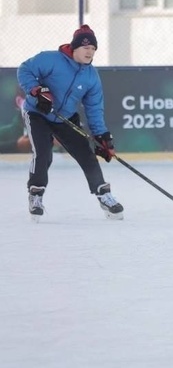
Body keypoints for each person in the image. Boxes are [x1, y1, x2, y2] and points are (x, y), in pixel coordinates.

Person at [17, 24, 124, 221]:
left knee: (86, 154)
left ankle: (103, 194)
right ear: (74, 48)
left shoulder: (91, 76)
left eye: (93, 49)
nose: (89, 52)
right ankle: (36, 195)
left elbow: (94, 108)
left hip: (64, 117)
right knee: (43, 154)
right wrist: (37, 91)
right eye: (85, 48)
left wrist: (102, 136)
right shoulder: (50, 59)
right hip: (37, 113)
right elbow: (24, 70)